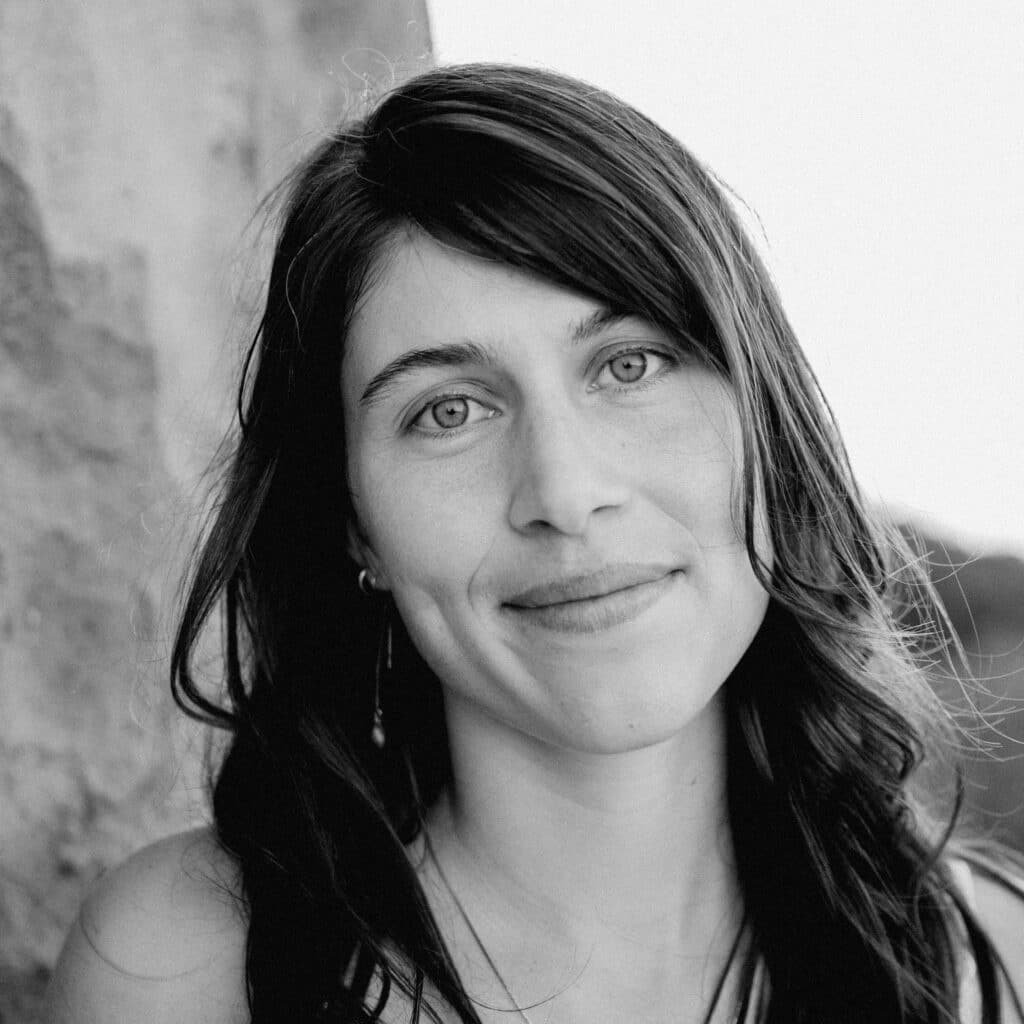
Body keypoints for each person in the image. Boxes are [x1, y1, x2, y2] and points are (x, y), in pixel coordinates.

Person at [44, 63, 1024, 1024]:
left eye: (628, 364)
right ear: (351, 520)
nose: (562, 491)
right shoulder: (182, 971)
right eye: (449, 410)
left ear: (767, 422)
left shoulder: (999, 973)